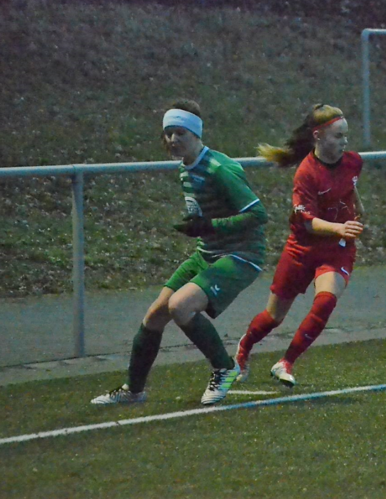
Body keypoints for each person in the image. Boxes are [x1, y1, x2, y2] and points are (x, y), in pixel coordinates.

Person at [91, 98, 267, 406]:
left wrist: (209, 225)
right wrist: (198, 226)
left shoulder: (219, 168)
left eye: (180, 133)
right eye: (168, 133)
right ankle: (134, 390)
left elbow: (258, 215)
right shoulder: (186, 168)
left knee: (180, 306)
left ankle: (225, 367)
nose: (173, 139)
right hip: (208, 252)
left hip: (241, 255)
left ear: (196, 133)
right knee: (155, 315)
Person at [234, 103, 364, 387]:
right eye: (338, 136)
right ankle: (243, 351)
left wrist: (357, 208)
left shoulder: (354, 161)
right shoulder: (306, 173)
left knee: (326, 300)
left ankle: (286, 362)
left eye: (346, 135)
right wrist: (339, 226)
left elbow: (349, 186)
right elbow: (307, 222)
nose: (344, 142)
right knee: (273, 317)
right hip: (302, 250)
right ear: (318, 136)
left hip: (337, 248)